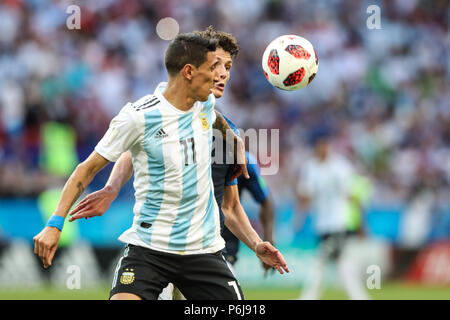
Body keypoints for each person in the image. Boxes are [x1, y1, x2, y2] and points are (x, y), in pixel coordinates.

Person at [33, 28, 289, 300]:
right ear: (190, 71)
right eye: (215, 67)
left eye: (226, 67)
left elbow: (230, 202)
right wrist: (56, 222)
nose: (221, 75)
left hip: (203, 251)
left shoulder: (205, 105)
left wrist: (234, 140)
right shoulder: (140, 116)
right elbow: (91, 166)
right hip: (150, 249)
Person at [296, 128, 370, 300]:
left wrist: (360, 222)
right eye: (319, 145)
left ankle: (309, 297)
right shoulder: (310, 168)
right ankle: (359, 297)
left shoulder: (341, 167)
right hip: (321, 224)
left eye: (325, 144)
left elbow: (352, 196)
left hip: (337, 223)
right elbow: (306, 196)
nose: (322, 148)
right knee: (343, 265)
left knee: (319, 261)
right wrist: (299, 218)